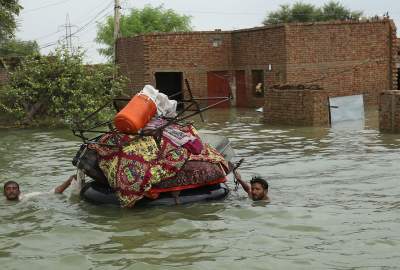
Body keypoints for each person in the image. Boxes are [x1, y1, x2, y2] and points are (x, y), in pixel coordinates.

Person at [3, 175, 76, 201]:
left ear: (19, 192)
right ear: (4, 193)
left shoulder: (26, 197)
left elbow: (53, 192)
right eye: (8, 189)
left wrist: (68, 181)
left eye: (14, 188)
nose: (11, 191)